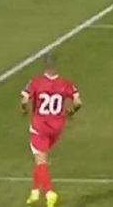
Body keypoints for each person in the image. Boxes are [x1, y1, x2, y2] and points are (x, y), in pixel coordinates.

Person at [21, 52, 82, 207]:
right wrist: (70, 113)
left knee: (40, 160)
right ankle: (35, 191)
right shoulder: (66, 84)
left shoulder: (35, 82)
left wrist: (24, 110)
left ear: (45, 66)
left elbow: (25, 100)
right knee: (40, 158)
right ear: (56, 66)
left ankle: (49, 193)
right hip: (57, 128)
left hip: (40, 127)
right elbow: (78, 102)